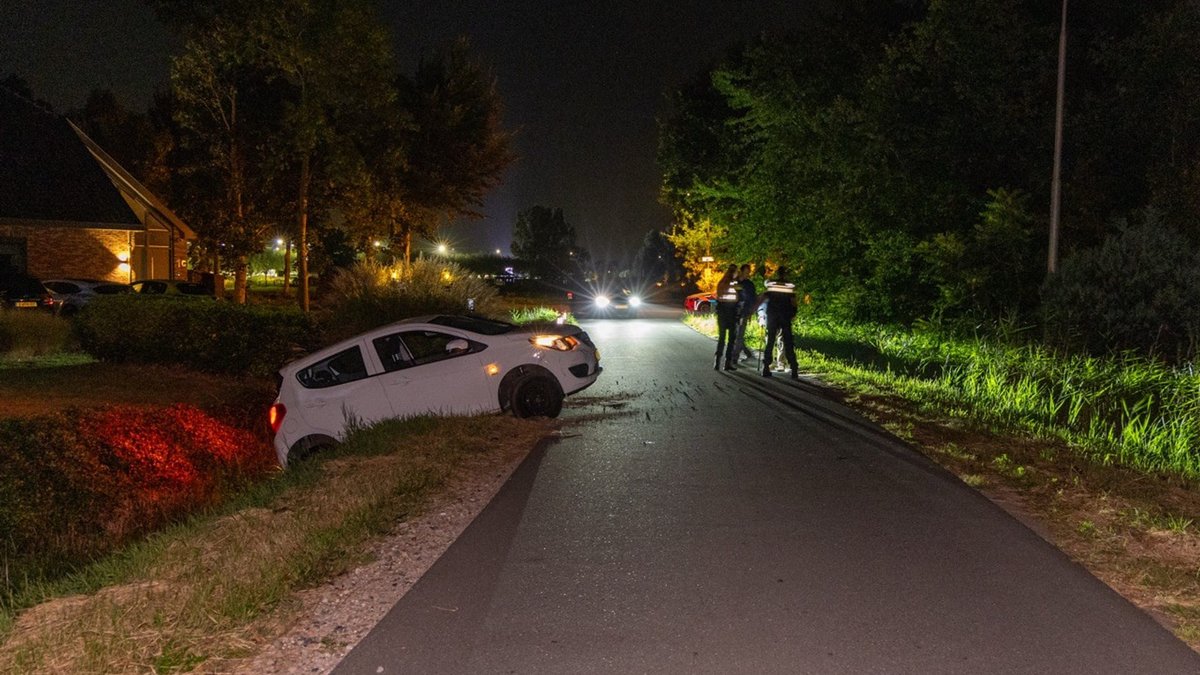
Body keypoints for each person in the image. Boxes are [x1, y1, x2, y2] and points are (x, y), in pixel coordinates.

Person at [761, 265, 799, 380]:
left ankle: (766, 367)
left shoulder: (772, 285)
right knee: (788, 342)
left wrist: (756, 311)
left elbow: (763, 297)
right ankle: (794, 368)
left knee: (770, 341)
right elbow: (794, 302)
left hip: (772, 316)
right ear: (785, 274)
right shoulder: (789, 285)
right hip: (785, 316)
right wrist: (793, 314)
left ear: (777, 274)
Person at [713, 263, 740, 370]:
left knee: (722, 338)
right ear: (734, 272)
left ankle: (717, 362)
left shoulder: (721, 283)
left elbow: (718, 297)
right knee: (731, 339)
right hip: (732, 313)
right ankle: (727, 363)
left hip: (722, 313)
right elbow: (740, 297)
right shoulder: (735, 284)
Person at [732, 263, 758, 364]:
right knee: (734, 334)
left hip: (744, 312)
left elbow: (753, 299)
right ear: (741, 271)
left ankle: (734, 357)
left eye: (748, 273)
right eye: (746, 272)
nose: (747, 274)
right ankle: (746, 351)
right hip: (733, 311)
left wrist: (751, 311)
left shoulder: (750, 285)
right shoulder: (734, 282)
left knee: (739, 334)